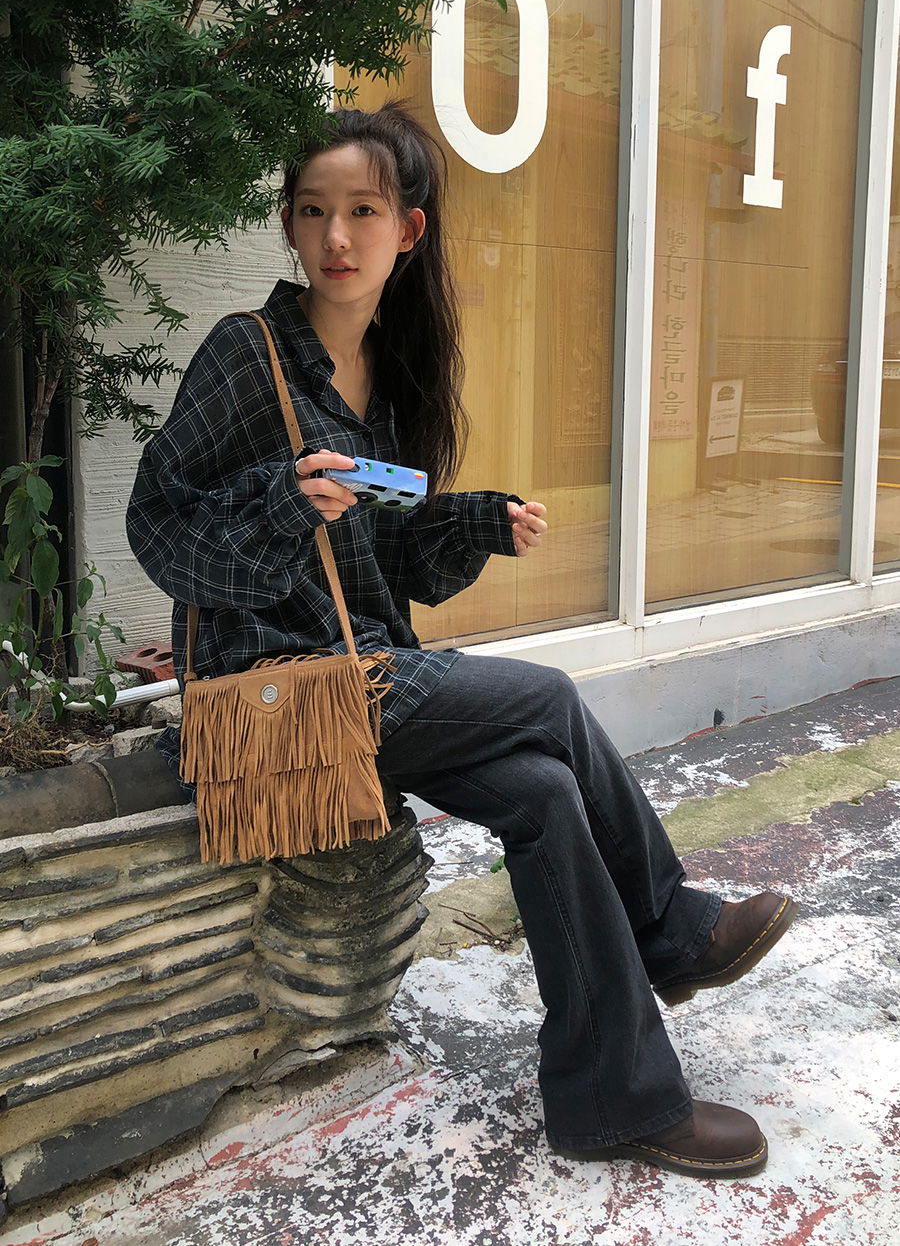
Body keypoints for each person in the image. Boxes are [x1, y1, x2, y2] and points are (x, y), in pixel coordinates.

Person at [126, 102, 796, 1178]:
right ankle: (670, 930)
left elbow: (385, 561)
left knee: (545, 790)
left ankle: (613, 1101)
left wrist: (476, 522)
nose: (335, 236)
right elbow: (157, 526)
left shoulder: (387, 377)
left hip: (370, 675)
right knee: (550, 698)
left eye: (362, 211)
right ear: (289, 225)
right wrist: (281, 502)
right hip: (281, 691)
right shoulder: (248, 356)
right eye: (313, 211)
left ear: (408, 231)